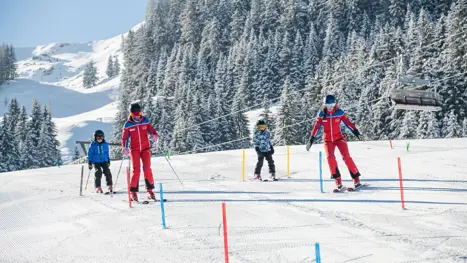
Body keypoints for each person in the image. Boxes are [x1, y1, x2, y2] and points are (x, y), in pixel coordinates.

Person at [306, 95, 362, 190]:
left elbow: (347, 123)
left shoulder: (339, 112)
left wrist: (356, 131)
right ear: (324, 105)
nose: (330, 107)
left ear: (335, 104)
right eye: (328, 105)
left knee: (346, 157)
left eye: (332, 104)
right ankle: (338, 180)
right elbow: (317, 127)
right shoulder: (322, 114)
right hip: (328, 140)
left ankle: (356, 178)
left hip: (340, 138)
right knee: (330, 158)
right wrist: (311, 139)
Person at [121, 101, 159, 202]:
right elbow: (125, 138)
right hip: (134, 150)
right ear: (131, 114)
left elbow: (151, 130)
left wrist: (154, 135)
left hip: (146, 149)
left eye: (139, 114)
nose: (137, 117)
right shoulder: (128, 124)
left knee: (147, 169)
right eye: (135, 115)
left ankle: (150, 190)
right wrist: (124, 147)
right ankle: (133, 192)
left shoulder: (145, 121)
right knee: (136, 170)